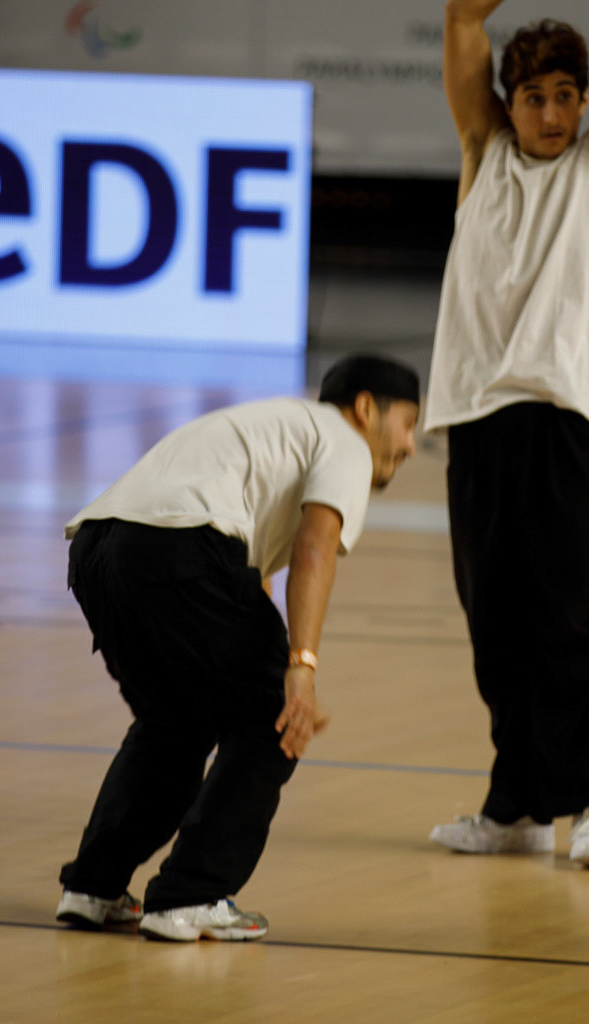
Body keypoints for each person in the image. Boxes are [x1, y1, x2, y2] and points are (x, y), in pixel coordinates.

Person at [424, 0, 589, 871]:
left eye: (567, 95)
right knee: (493, 624)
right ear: (507, 103)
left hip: (562, 419)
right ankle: (514, 804)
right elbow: (461, 15)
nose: (553, 114)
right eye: (535, 97)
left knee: (565, 619)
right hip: (475, 419)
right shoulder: (482, 155)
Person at [54, 354, 421, 941]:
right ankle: (190, 896)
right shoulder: (345, 441)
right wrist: (299, 669)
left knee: (174, 725)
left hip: (99, 552)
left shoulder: (277, 427)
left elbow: (251, 578)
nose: (410, 446)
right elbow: (314, 549)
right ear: (365, 409)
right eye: (408, 424)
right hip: (181, 548)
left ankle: (93, 887)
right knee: (275, 719)